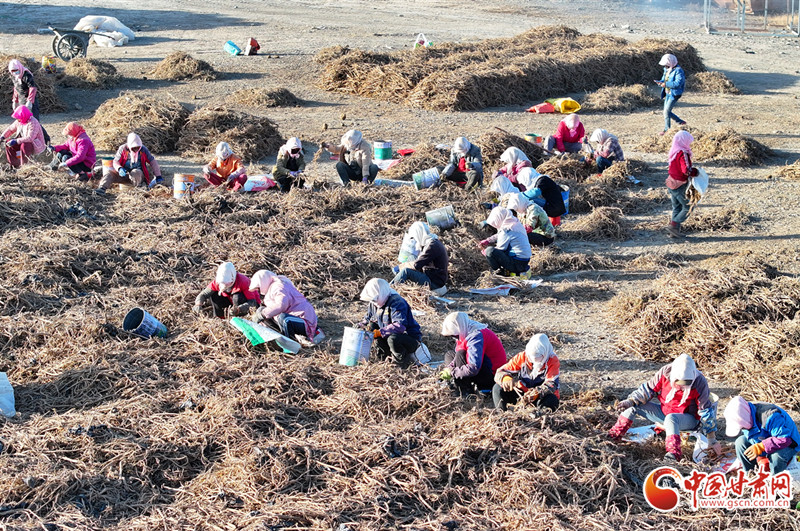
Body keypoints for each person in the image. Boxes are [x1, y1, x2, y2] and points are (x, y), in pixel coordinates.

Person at [608, 353, 721, 461]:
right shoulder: (665, 372)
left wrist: (711, 439)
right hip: (664, 412)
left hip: (688, 418)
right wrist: (630, 401)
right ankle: (613, 437)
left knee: (671, 418)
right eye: (678, 383)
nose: (681, 387)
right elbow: (648, 390)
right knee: (633, 405)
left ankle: (673, 453)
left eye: (686, 384)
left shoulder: (699, 381)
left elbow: (705, 411)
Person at [724, 396, 800, 474]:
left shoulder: (771, 416)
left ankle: (775, 477)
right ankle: (750, 473)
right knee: (740, 442)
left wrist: (761, 446)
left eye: (742, 427)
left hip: (788, 444)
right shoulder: (747, 414)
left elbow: (784, 439)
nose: (742, 429)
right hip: (762, 439)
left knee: (776, 456)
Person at [249, 270, 324, 347]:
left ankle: (290, 344)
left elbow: (281, 305)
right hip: (293, 318)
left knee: (284, 319)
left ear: (263, 282)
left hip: (304, 320)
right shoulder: (271, 289)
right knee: (264, 313)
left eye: (259, 287)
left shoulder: (278, 287)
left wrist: (263, 314)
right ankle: (278, 339)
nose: (259, 291)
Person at [439, 312, 506, 396]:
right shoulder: (466, 329)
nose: (454, 338)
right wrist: (450, 367)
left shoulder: (476, 336)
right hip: (481, 366)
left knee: (460, 354)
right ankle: (458, 381)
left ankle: (464, 390)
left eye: (455, 335)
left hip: (492, 375)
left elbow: (473, 367)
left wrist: (452, 372)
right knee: (450, 355)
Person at [358, 278, 422, 368]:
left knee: (393, 339)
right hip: (388, 336)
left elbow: (400, 326)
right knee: (373, 328)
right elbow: (368, 318)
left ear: (381, 293)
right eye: (372, 300)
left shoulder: (397, 302)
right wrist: (361, 326)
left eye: (375, 300)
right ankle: (383, 360)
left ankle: (400, 364)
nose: (374, 303)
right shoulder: (374, 303)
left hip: (408, 339)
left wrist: (380, 332)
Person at [492, 333, 560, 411]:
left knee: (552, 400)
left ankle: (540, 414)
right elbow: (500, 371)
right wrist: (505, 378)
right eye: (531, 357)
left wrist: (537, 392)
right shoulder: (522, 357)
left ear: (545, 352)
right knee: (497, 388)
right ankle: (502, 413)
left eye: (538, 357)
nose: (533, 360)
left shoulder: (552, 360)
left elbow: (552, 383)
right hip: (521, 393)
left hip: (539, 397)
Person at [391, 221, 449, 295]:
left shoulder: (431, 246)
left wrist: (400, 267)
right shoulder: (432, 241)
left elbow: (417, 265)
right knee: (411, 258)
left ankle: (390, 290)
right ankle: (399, 281)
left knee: (406, 271)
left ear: (418, 234)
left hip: (434, 283)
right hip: (432, 276)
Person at [97, 133, 163, 194]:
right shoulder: (123, 149)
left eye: (138, 147)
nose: (136, 149)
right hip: (124, 174)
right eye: (134, 147)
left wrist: (158, 176)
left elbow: (153, 162)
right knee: (109, 173)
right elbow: (116, 161)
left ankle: (138, 190)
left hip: (137, 177)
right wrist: (119, 168)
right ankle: (102, 189)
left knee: (136, 172)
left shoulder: (143, 150)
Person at [193, 262, 261, 318]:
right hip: (230, 302)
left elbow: (253, 303)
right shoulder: (217, 283)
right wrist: (198, 304)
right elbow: (204, 294)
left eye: (227, 283)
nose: (224, 286)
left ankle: (239, 318)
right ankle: (221, 317)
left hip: (246, 305)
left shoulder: (243, 281)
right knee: (214, 294)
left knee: (237, 297)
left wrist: (239, 309)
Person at [479, 207, 531, 276]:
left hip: (517, 263)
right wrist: (488, 240)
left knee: (490, 251)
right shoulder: (514, 223)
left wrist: (486, 253)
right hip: (524, 262)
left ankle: (500, 272)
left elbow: (500, 249)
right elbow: (500, 235)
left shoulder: (507, 230)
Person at [665, 130, 698, 239]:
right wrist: (695, 172)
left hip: (671, 183)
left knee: (677, 207)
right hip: (680, 185)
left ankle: (674, 232)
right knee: (688, 207)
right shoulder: (683, 153)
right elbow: (686, 170)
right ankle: (673, 225)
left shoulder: (674, 151)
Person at [8, 59, 49, 144]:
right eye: (13, 71)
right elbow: (16, 88)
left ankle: (45, 140)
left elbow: (32, 88)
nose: (15, 72)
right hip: (21, 103)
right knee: (23, 122)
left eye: (16, 70)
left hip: (30, 103)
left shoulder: (26, 75)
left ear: (19, 68)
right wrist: (15, 101)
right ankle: (26, 140)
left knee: (34, 122)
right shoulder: (14, 76)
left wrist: (30, 101)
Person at [656, 54, 686, 135]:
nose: (665, 66)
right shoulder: (666, 69)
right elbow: (664, 79)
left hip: (674, 94)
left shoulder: (679, 71)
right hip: (667, 93)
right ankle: (680, 122)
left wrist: (666, 84)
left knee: (666, 112)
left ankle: (667, 130)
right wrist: (660, 82)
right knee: (666, 111)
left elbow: (678, 83)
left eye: (666, 64)